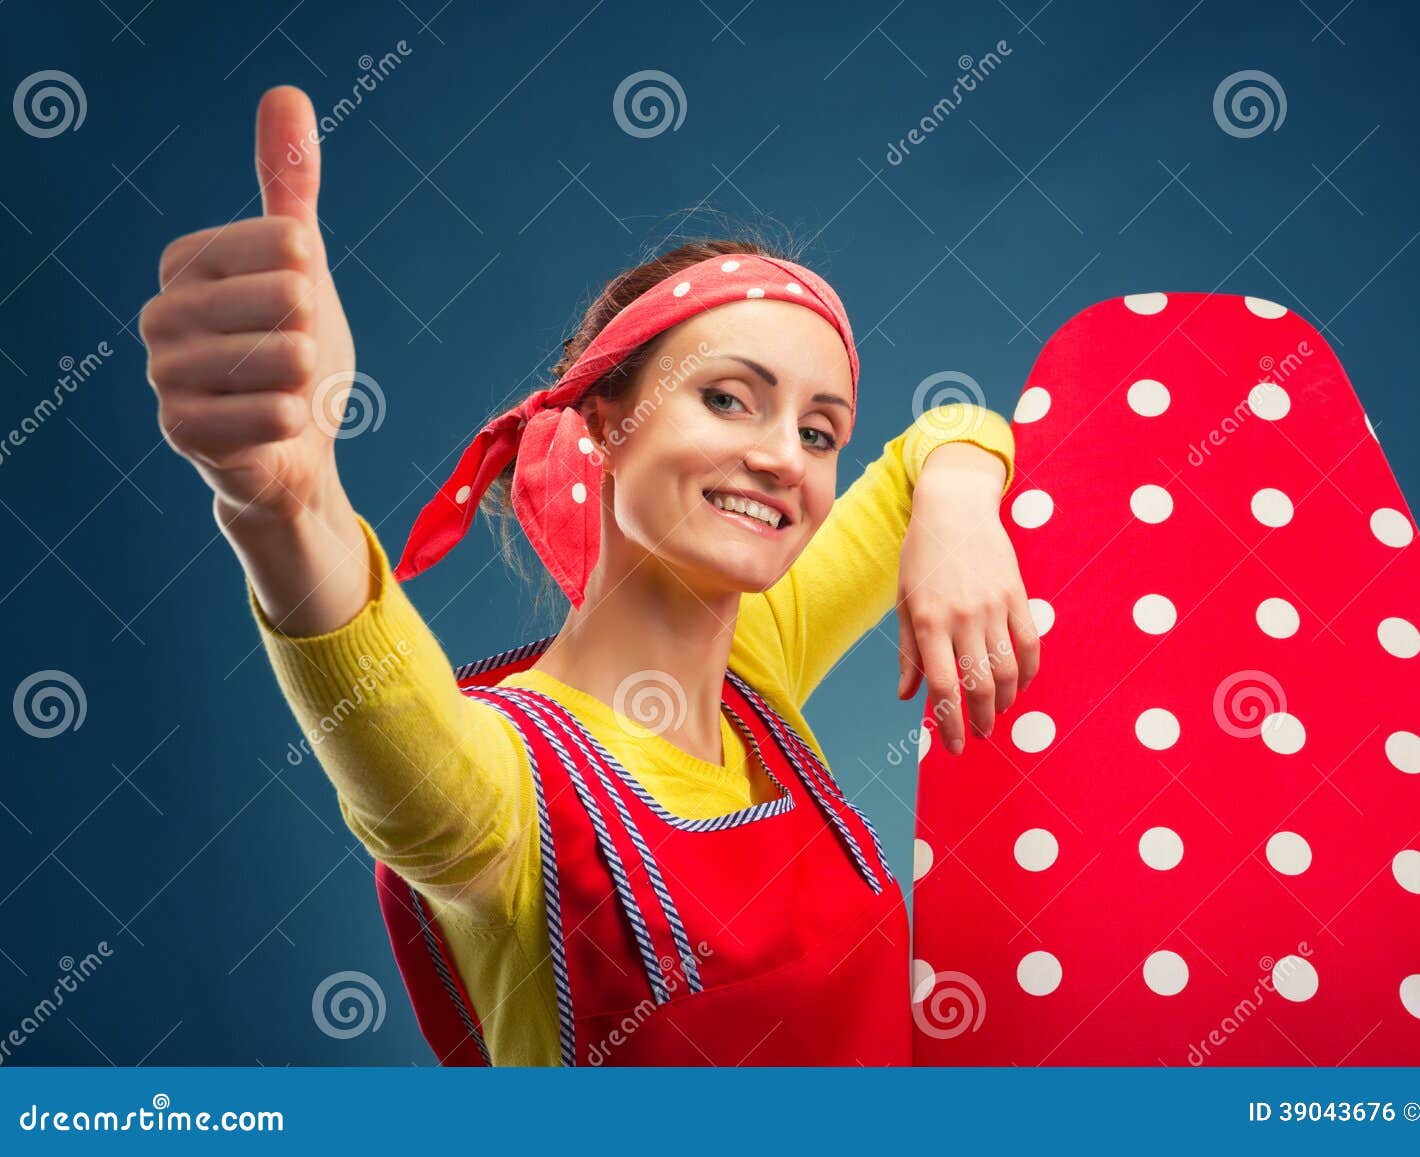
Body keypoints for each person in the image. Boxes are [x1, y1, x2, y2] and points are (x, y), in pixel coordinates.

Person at [140, 86, 1039, 1065]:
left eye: (819, 429)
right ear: (605, 421)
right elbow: (370, 688)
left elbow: (939, 439)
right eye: (730, 398)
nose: (785, 456)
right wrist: (284, 503)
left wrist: (955, 504)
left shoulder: (758, 662)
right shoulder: (503, 791)